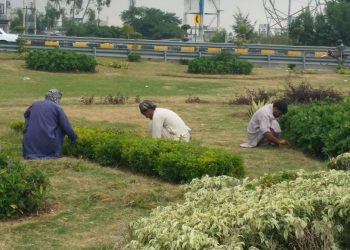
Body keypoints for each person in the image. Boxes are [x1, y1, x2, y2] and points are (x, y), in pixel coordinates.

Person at [23, 89, 77, 159]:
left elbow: (26, 116)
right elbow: (66, 126)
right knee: (60, 126)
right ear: (57, 98)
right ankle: (52, 152)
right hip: (48, 146)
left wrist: (25, 130)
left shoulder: (35, 104)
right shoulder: (57, 107)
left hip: (29, 147)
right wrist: (74, 138)